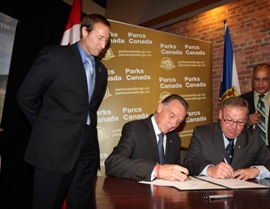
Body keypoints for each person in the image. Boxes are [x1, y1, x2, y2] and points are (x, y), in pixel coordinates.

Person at [16, 14, 110, 209]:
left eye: (107, 40)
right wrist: (46, 128)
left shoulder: (102, 70)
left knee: (82, 204)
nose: (104, 44)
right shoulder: (55, 56)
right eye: (100, 38)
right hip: (54, 150)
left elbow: (89, 107)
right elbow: (26, 95)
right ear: (85, 31)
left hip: (87, 151)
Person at [183, 96, 270, 180]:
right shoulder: (202, 133)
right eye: (229, 120)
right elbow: (189, 161)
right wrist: (210, 169)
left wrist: (255, 171)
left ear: (246, 120)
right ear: (220, 115)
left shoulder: (253, 137)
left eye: (240, 122)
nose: (234, 127)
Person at [105, 94, 190, 182]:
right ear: (160, 108)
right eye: (171, 116)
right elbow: (113, 163)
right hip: (138, 192)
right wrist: (158, 170)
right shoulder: (135, 129)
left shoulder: (175, 138)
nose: (174, 124)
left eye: (179, 122)